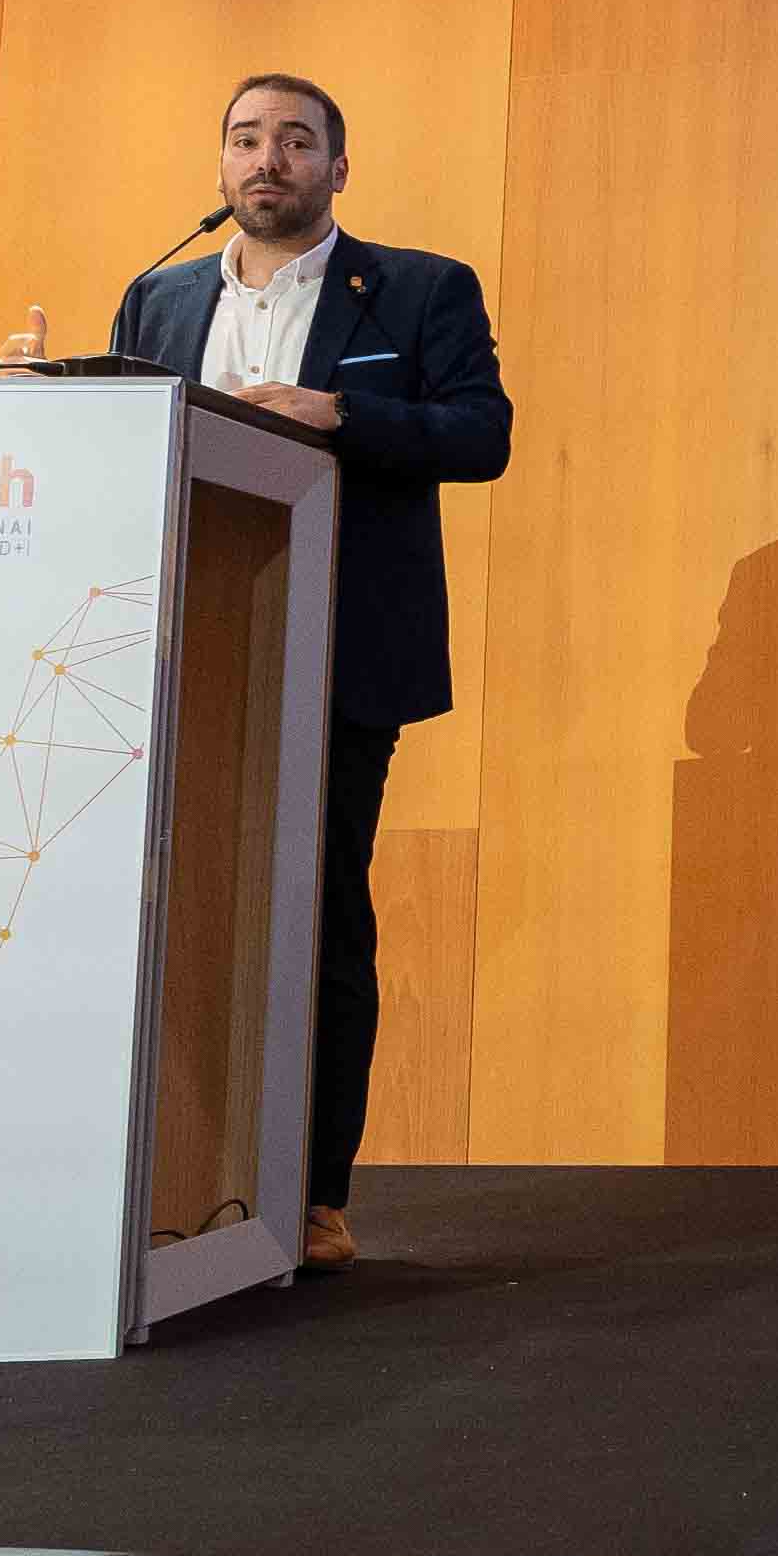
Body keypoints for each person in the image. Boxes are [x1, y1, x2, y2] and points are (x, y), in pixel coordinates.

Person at [109, 73, 507, 1269]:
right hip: (184, 653)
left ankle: (315, 1193)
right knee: (174, 914)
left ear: (337, 167)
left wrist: (338, 411)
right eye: (245, 139)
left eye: (294, 140)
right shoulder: (158, 296)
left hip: (341, 648)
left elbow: (480, 434)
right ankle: (174, 1178)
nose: (266, 159)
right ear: (220, 165)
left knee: (320, 908)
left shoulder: (420, 288)